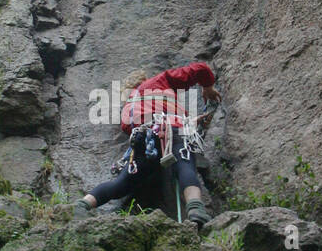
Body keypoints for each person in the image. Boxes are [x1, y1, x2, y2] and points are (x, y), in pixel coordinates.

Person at [74, 61, 221, 225]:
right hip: (173, 131)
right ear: (145, 79)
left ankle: (83, 205)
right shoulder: (159, 81)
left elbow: (142, 124)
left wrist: (190, 121)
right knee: (184, 166)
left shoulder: (128, 107)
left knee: (122, 183)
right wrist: (208, 87)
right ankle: (196, 210)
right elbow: (200, 69)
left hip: (144, 139)